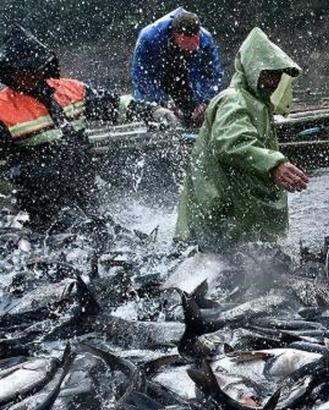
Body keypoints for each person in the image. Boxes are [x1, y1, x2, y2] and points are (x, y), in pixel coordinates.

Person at [0, 25, 177, 229]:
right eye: (21, 71)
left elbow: (113, 105)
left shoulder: (70, 90)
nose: (28, 75)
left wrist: (152, 112)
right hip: (41, 206)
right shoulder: (3, 109)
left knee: (107, 235)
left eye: (32, 68)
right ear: (9, 72)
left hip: (84, 191)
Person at [175, 27, 309, 250]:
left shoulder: (259, 104)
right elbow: (231, 143)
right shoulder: (233, 100)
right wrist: (273, 164)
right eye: (268, 73)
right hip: (217, 210)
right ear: (252, 70)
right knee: (214, 264)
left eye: (278, 74)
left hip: (233, 211)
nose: (274, 81)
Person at [131, 8, 224, 127]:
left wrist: (205, 101)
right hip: (158, 85)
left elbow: (214, 75)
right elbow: (141, 77)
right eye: (187, 45)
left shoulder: (206, 40)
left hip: (189, 85)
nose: (191, 49)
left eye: (194, 45)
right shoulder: (148, 38)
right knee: (159, 123)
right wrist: (158, 104)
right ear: (175, 35)